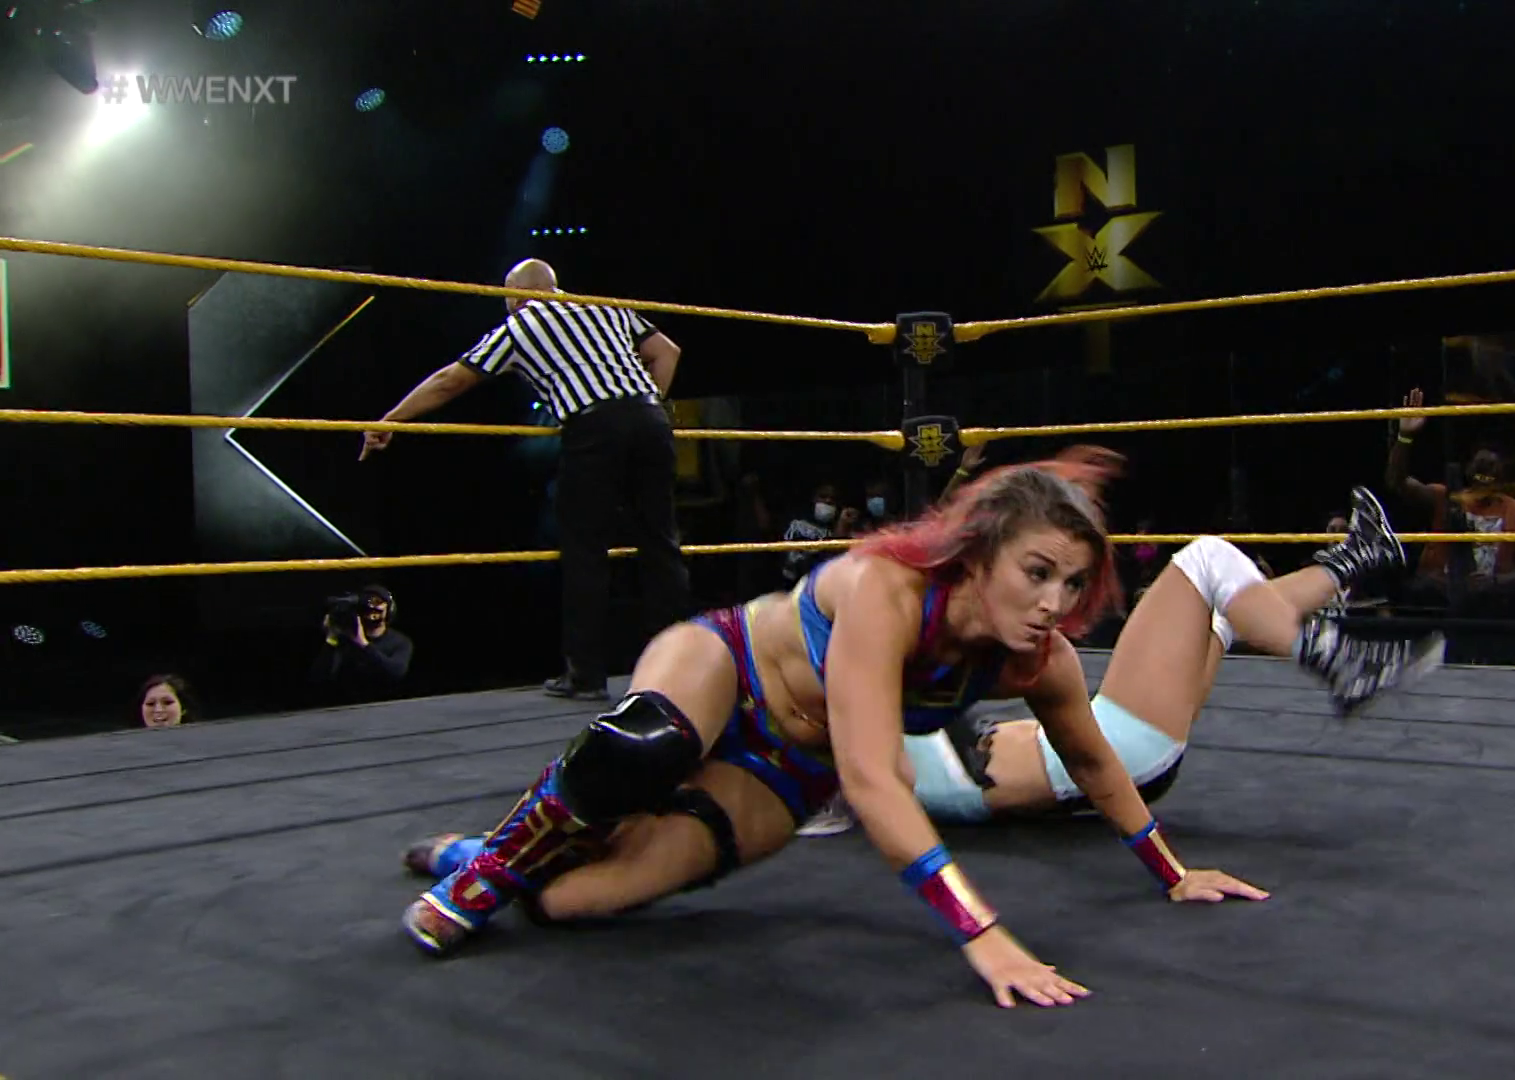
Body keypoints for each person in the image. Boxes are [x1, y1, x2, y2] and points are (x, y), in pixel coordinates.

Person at [398, 448, 1431, 1008]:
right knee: (646, 744)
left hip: (786, 770)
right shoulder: (888, 590)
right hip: (728, 669)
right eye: (1037, 573)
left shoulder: (1041, 656)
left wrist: (1172, 871)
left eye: (1072, 584)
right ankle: (483, 875)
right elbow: (873, 776)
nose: (1053, 602)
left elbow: (1094, 760)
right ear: (979, 554)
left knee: (576, 903)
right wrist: (984, 936)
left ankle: (484, 854)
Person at [800, 486, 1430, 832]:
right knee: (1207, 562)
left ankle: (1353, 561)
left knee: (1221, 612)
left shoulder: (886, 741)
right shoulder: (878, 755)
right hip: (1117, 750)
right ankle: (1340, 663)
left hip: (1122, 757)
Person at [360, 259, 689, 700]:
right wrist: (644, 405)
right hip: (652, 421)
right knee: (661, 544)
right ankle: (681, 667)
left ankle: (585, 674)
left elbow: (449, 382)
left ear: (516, 297)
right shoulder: (604, 307)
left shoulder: (521, 326)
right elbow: (667, 352)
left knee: (585, 551)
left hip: (594, 428)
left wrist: (392, 419)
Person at [1386, 388, 1515, 612]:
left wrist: (1498, 582)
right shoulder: (1445, 497)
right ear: (1469, 469)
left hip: (1492, 606)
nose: (1484, 476)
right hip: (1437, 601)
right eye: (1480, 468)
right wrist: (1405, 437)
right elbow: (1396, 482)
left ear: (1503, 474)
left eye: (1491, 469)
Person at [310, 585, 413, 701]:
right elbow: (319, 678)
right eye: (367, 603)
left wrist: (363, 644)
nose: (371, 607)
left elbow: (395, 672)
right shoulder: (345, 640)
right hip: (348, 705)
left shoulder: (400, 641)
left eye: (377, 602)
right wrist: (332, 638)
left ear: (389, 609)